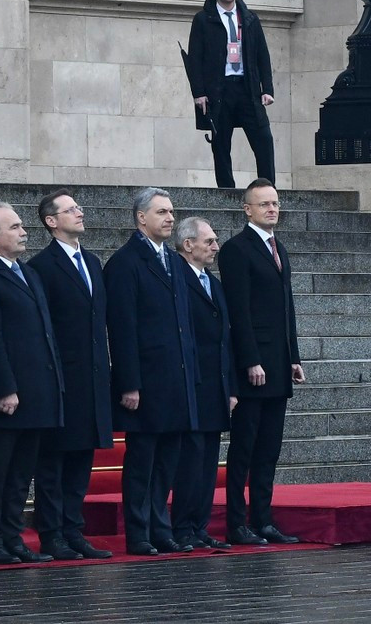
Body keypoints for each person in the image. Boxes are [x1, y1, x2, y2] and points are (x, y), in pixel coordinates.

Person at [0, 203, 63, 564]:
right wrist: (5, 387)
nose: (24, 232)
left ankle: (13, 536)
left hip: (37, 390)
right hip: (7, 395)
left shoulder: (28, 272)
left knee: (22, 472)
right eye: (15, 226)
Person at [105, 187, 199, 555]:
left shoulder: (175, 262)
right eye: (162, 212)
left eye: (172, 212)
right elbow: (122, 328)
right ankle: (139, 531)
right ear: (141, 217)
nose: (170, 218)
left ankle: (162, 528)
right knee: (142, 462)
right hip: (145, 383)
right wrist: (129, 382)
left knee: (167, 463)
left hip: (176, 380)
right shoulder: (125, 263)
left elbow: (184, 323)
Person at [217, 179, 304, 546]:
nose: (272, 209)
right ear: (247, 209)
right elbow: (238, 310)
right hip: (253, 368)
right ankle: (238, 523)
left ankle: (263, 519)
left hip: (280, 364)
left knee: (269, 449)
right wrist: (250, 360)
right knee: (244, 449)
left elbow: (287, 309)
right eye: (264, 204)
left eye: (275, 203)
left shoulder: (278, 247)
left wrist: (294, 356)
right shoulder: (237, 249)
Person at [27, 191, 112, 561]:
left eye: (79, 207)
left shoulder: (92, 262)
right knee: (52, 463)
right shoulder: (41, 266)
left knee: (81, 458)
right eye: (71, 210)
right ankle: (51, 532)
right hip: (59, 378)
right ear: (51, 221)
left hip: (92, 378)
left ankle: (73, 529)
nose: (80, 213)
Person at [170, 217, 236, 550]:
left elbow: (226, 338)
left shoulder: (212, 281)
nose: (215, 247)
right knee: (190, 460)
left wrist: (232, 388)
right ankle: (182, 526)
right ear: (188, 245)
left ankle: (199, 525)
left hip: (216, 385)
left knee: (208, 460)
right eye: (209, 241)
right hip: (191, 384)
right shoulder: (177, 278)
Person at [187, 0, 276, 188]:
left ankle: (267, 189)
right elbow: (194, 58)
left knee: (263, 138)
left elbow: (262, 56)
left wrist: (268, 89)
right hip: (219, 90)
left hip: (247, 88)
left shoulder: (250, 18)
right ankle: (226, 189)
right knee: (220, 142)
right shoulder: (203, 19)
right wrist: (199, 93)